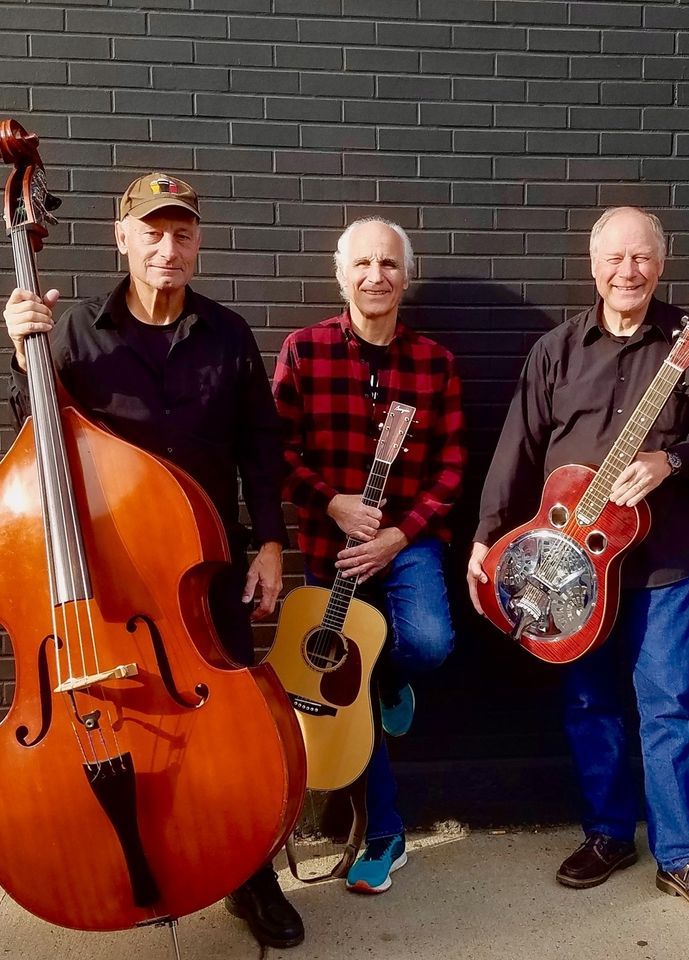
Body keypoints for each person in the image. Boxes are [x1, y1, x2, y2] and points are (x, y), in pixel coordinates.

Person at [3, 173, 304, 949]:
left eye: (183, 234)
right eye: (154, 232)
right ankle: (101, 855)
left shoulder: (230, 334)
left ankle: (249, 876)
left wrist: (270, 540)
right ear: (122, 236)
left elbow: (260, 449)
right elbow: (40, 442)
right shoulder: (71, 331)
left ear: (197, 242)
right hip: (105, 582)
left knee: (235, 738)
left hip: (203, 575)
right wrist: (22, 356)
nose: (169, 248)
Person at [468, 206, 689, 923]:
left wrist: (671, 459)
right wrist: (487, 536)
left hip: (663, 566)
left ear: (662, 263)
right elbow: (518, 446)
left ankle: (682, 857)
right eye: (616, 258)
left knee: (670, 706)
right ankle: (607, 834)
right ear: (593, 265)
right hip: (567, 569)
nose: (629, 271)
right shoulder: (555, 350)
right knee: (589, 704)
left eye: (643, 258)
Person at [272, 216, 465, 895]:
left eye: (388, 265)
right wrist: (332, 503)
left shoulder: (435, 363)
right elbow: (278, 452)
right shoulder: (304, 351)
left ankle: (390, 682)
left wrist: (398, 533)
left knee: (430, 642)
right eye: (362, 264)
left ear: (405, 277)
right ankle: (386, 832)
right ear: (341, 274)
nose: (375, 276)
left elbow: (452, 465)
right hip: (331, 547)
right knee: (343, 688)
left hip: (405, 543)